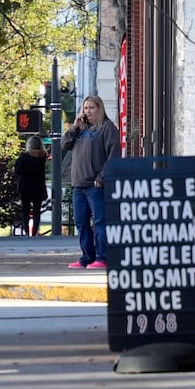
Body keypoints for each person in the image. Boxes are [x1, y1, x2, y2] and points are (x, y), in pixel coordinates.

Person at [60, 94, 119, 269]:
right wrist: (74, 126)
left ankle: (102, 257)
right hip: (78, 184)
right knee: (81, 223)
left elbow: (114, 155)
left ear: (99, 109)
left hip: (96, 185)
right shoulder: (81, 129)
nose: (88, 111)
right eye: (85, 108)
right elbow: (64, 144)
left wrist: (101, 177)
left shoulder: (107, 128)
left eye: (91, 108)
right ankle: (87, 257)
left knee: (100, 222)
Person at [11, 135, 49, 236]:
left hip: (25, 186)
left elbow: (17, 170)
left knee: (25, 209)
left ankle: (27, 231)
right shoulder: (43, 156)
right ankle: (35, 232)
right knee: (37, 210)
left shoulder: (24, 156)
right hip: (38, 186)